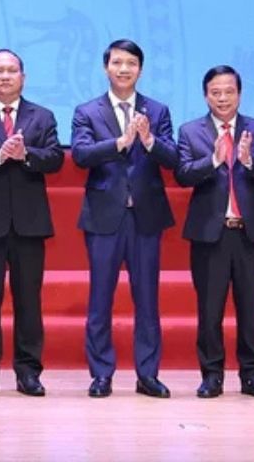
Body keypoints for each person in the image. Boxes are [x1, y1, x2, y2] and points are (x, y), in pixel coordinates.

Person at [71, 39, 178, 399]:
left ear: (140, 69)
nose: (124, 69)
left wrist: (148, 140)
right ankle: (101, 373)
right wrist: (120, 142)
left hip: (145, 216)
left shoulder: (157, 110)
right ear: (106, 67)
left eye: (131, 63)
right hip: (104, 217)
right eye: (117, 62)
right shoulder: (87, 111)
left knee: (147, 300)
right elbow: (81, 155)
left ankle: (147, 374)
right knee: (100, 298)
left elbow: (172, 158)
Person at [0, 49, 64, 398]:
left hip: (29, 223)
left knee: (28, 300)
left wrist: (26, 155)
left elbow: (55, 158)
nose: (5, 76)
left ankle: (29, 371)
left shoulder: (42, 116)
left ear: (23, 76)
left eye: (11, 70)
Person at [176, 64, 254, 399]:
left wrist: (249, 160)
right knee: (210, 310)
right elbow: (182, 174)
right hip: (211, 234)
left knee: (250, 308)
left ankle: (252, 375)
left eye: (229, 92)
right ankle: (212, 375)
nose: (223, 98)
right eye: (215, 92)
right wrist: (212, 160)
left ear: (240, 94)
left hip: (249, 233)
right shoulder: (190, 131)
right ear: (205, 95)